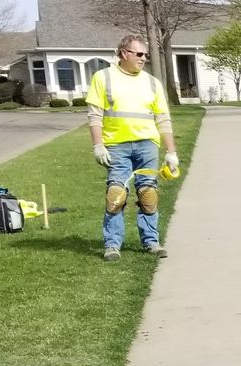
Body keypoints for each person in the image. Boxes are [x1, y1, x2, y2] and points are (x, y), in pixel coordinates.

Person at [86, 34, 179, 261]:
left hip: (147, 144)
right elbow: (95, 116)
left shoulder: (152, 82)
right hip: (116, 145)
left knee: (148, 194)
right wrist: (98, 145)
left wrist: (171, 152)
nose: (143, 59)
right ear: (124, 53)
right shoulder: (103, 77)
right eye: (139, 54)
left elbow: (163, 119)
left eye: (145, 55)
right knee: (116, 194)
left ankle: (151, 242)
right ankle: (112, 245)